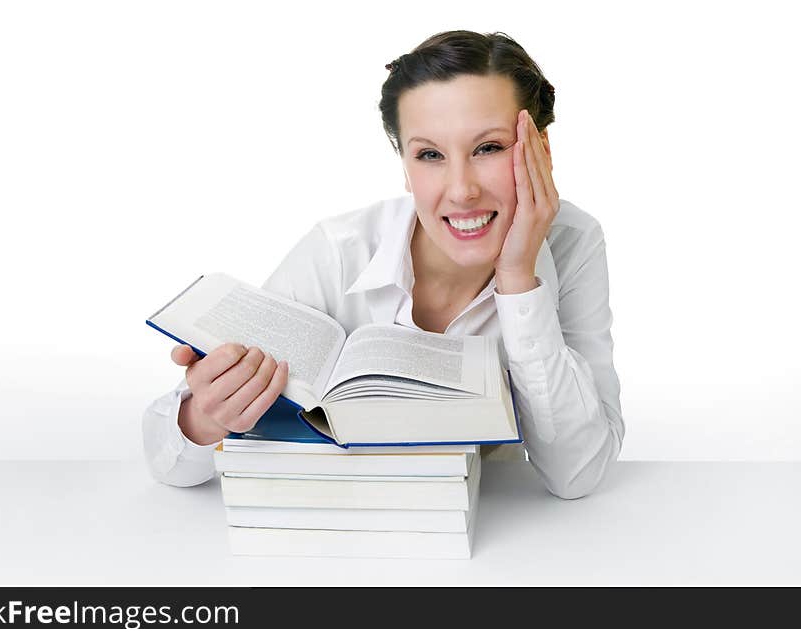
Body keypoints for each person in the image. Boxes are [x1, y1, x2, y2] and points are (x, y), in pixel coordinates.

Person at [142, 30, 624, 499]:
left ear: (542, 150)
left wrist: (520, 281)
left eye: (489, 148)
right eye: (430, 154)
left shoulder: (573, 243)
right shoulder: (338, 249)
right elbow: (164, 459)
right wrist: (203, 417)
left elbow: (577, 474)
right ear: (405, 165)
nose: (461, 190)